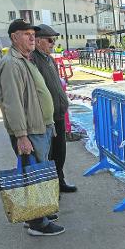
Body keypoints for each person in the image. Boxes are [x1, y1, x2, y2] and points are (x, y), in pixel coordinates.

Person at [0, 19, 65, 236]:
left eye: (33, 33)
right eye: (26, 34)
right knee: (32, 174)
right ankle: (37, 223)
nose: (32, 37)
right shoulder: (11, 64)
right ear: (14, 37)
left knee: (37, 173)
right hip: (30, 131)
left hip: (39, 127)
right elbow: (13, 103)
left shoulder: (25, 60)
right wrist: (21, 136)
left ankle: (38, 214)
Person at [30, 24, 77, 193]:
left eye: (54, 40)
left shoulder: (50, 59)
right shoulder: (33, 60)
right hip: (45, 116)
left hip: (58, 113)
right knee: (47, 154)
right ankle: (50, 188)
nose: (52, 43)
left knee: (60, 151)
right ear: (38, 41)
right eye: (50, 40)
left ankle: (60, 180)